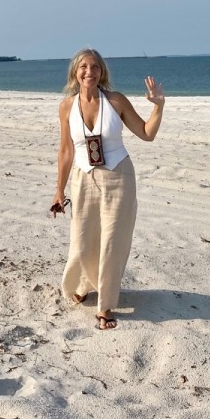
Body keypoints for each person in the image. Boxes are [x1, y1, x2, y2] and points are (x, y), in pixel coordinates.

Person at [50, 48, 164, 330]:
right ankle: (84, 282)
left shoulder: (115, 100)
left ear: (102, 72)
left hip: (118, 175)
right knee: (83, 239)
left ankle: (105, 306)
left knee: (113, 240)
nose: (90, 72)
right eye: (84, 67)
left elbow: (147, 134)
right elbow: (66, 151)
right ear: (75, 72)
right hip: (82, 177)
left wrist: (158, 106)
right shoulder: (66, 106)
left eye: (95, 67)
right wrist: (58, 191)